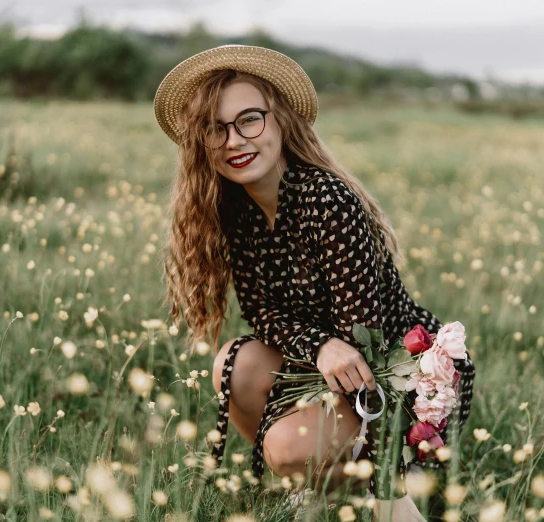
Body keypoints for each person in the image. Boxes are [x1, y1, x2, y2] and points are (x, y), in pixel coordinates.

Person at [155, 45, 476, 521]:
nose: (234, 140)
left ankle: (381, 477)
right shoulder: (236, 211)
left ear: (280, 121)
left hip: (397, 376)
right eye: (215, 128)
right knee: (232, 363)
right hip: (328, 365)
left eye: (249, 120)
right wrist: (319, 344)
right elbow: (262, 313)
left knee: (284, 448)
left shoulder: (326, 199)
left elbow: (366, 343)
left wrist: (385, 470)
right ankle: (323, 485)